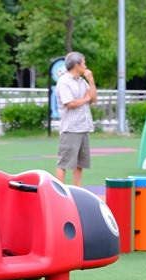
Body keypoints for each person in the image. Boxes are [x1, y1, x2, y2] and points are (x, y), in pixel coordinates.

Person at [54, 51, 97, 187]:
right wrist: (85, 99)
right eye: (83, 63)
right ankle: (60, 192)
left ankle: (77, 190)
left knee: (80, 163)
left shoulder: (82, 81)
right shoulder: (64, 82)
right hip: (70, 128)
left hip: (84, 126)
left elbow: (93, 99)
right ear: (76, 65)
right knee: (64, 162)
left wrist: (91, 80)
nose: (85, 66)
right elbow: (70, 103)